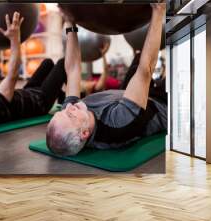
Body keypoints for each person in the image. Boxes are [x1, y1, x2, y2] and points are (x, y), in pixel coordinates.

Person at [46, 4, 167, 156]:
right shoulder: (118, 123)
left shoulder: (72, 113)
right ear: (84, 133)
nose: (68, 107)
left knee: (136, 64)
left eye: (61, 111)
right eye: (70, 115)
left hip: (124, 96)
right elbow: (146, 70)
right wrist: (158, 12)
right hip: (161, 103)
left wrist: (70, 23)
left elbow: (72, 70)